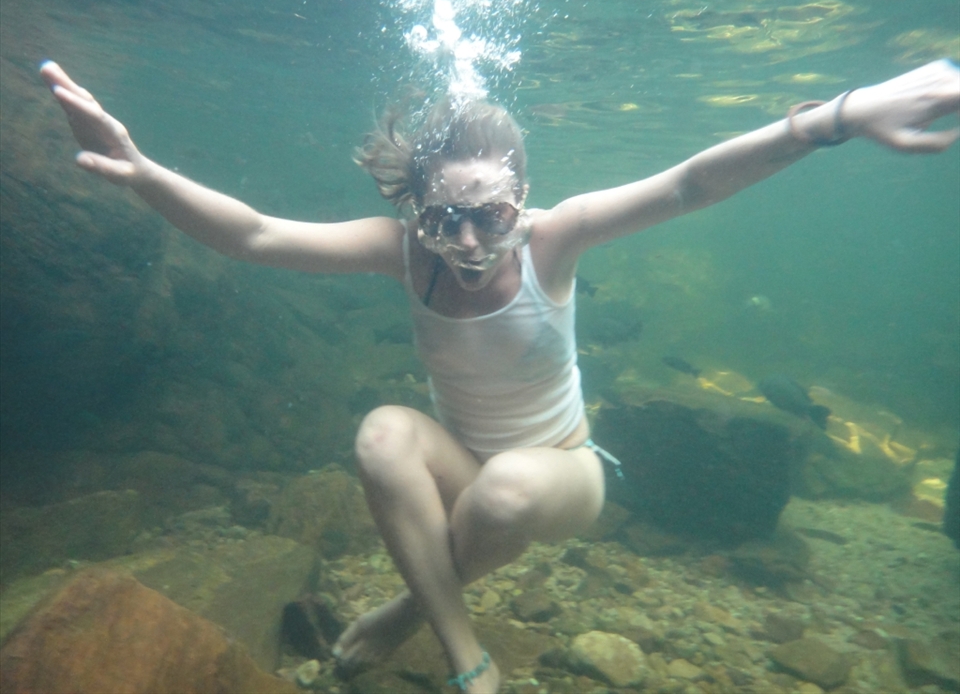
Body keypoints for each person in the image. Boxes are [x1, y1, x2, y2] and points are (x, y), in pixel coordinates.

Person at [40, 58, 959, 693]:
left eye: (492, 215)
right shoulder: (403, 251)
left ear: (522, 199)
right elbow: (253, 233)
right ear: (418, 206)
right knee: (382, 433)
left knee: (512, 487)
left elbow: (688, 185)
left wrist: (834, 118)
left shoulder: (555, 239)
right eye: (447, 219)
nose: (471, 242)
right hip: (465, 465)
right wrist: (140, 171)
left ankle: (411, 611)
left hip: (564, 472)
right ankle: (464, 644)